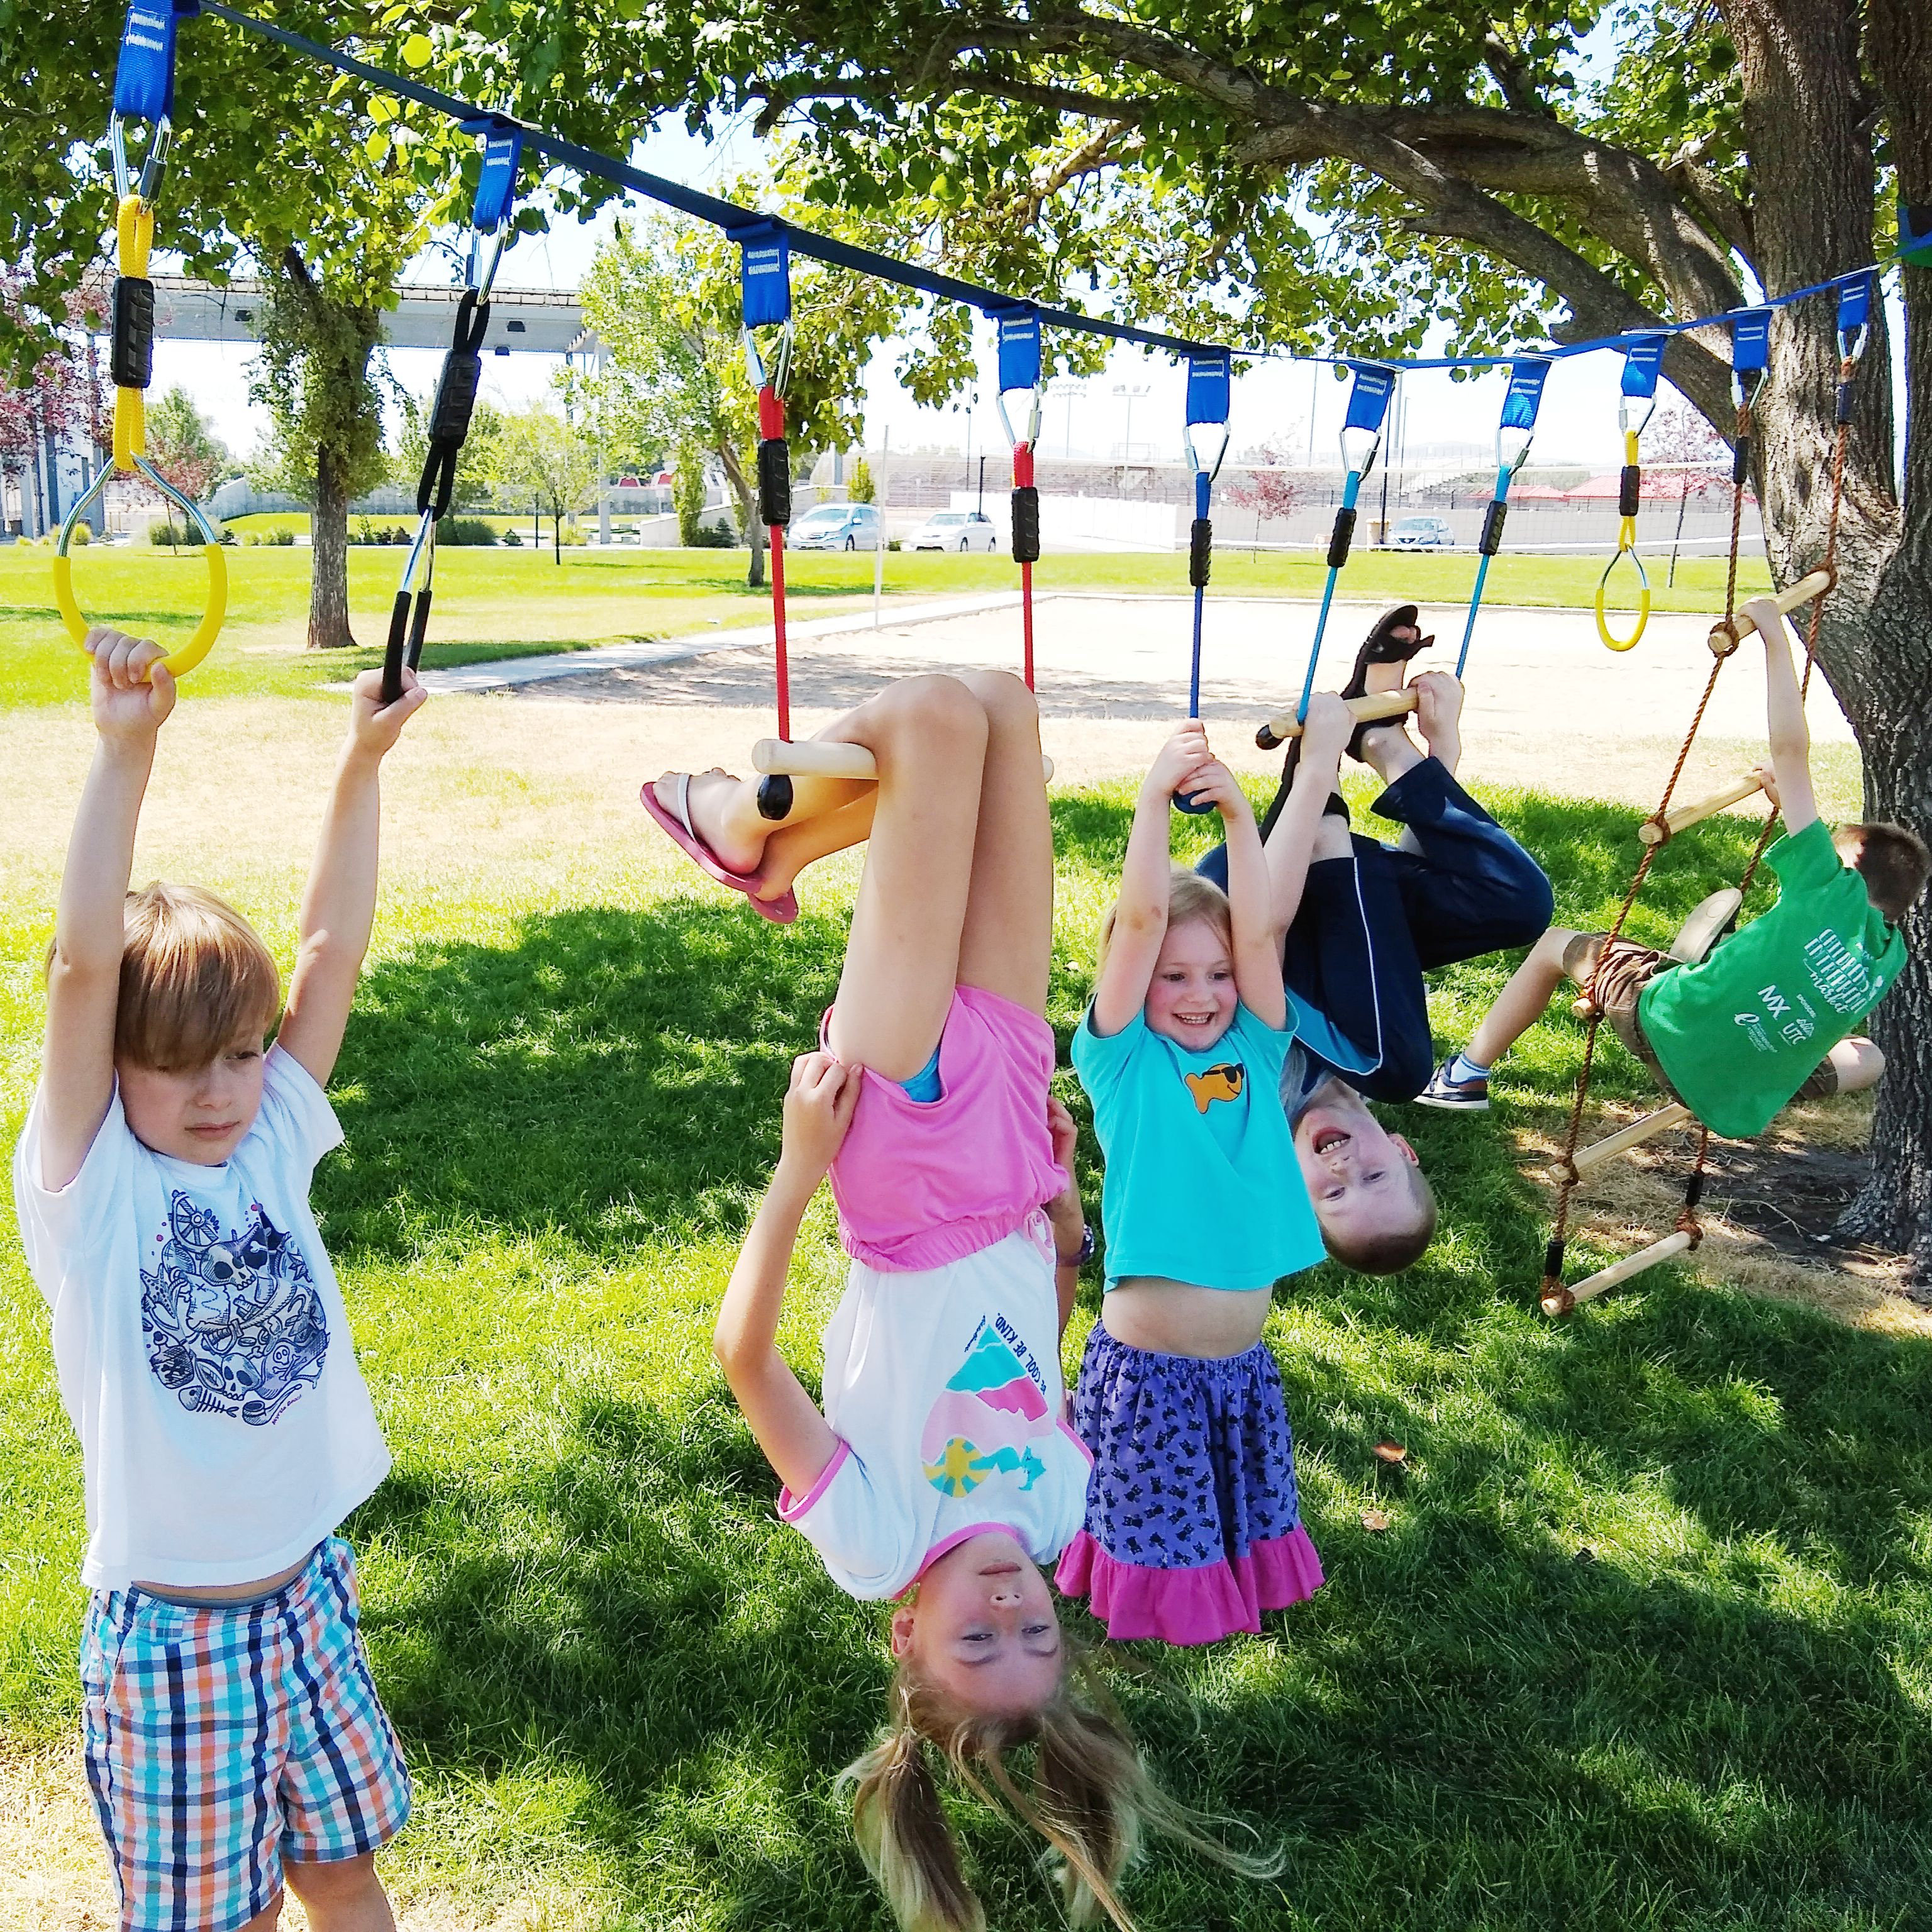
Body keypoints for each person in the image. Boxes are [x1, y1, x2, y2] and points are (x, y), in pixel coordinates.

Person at [696, 674, 1272, 1931]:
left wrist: (799, 1167)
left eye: (979, 1646)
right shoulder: (1060, 1512)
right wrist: (1059, 1208)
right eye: (1039, 1643)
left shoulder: (880, 1544)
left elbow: (744, 1358)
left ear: (909, 1642)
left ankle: (741, 826)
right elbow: (1033, 1347)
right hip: (1012, 1146)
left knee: (936, 732)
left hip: (896, 1169)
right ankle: (767, 845)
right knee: (1004, 711)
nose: (1014, 1616)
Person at [11, 630, 428, 1932]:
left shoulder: (273, 1134)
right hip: (176, 1646)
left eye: (244, 1054)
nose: (222, 1091)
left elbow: (331, 949)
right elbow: (85, 968)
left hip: (309, 1593)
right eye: (181, 1063)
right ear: (116, 1064)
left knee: (344, 1873)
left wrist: (361, 761)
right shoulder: (93, 1192)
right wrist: (125, 750)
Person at [1421, 594, 1929, 1133]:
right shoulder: (1887, 955)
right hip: (1738, 1098)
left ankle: (1464, 1075)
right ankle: (1733, 1051)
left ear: (1846, 873)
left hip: (1667, 1026)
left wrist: (1776, 638)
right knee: (1867, 1056)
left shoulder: (1830, 887)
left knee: (1553, 945)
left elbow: (1790, 751)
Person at [1054, 710, 1346, 1646]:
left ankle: (1211, 1601)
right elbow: (1140, 918)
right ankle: (1145, 1639)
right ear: (1133, 983)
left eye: (1214, 975)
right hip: (1152, 1373)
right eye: (1172, 976)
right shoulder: (1123, 1065)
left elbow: (1262, 935)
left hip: (1241, 1372)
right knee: (1150, 1538)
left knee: (1223, 1518)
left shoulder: (1259, 1050)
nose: (1200, 994)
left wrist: (1237, 825)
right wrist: (1151, 801)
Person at [1199, 607, 1555, 1274]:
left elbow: (1261, 936)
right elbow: (1372, 932)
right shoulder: (1362, 1063)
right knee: (1521, 904)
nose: (1346, 1167)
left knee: (1396, 1070)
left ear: (1296, 1191)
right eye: (1375, 1176)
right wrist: (1443, 747)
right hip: (1329, 882)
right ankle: (1390, 744)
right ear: (1402, 1149)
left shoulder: (1247, 1100)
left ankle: (1355, 762)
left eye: (1333, 1192)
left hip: (1247, 901)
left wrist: (1318, 768)